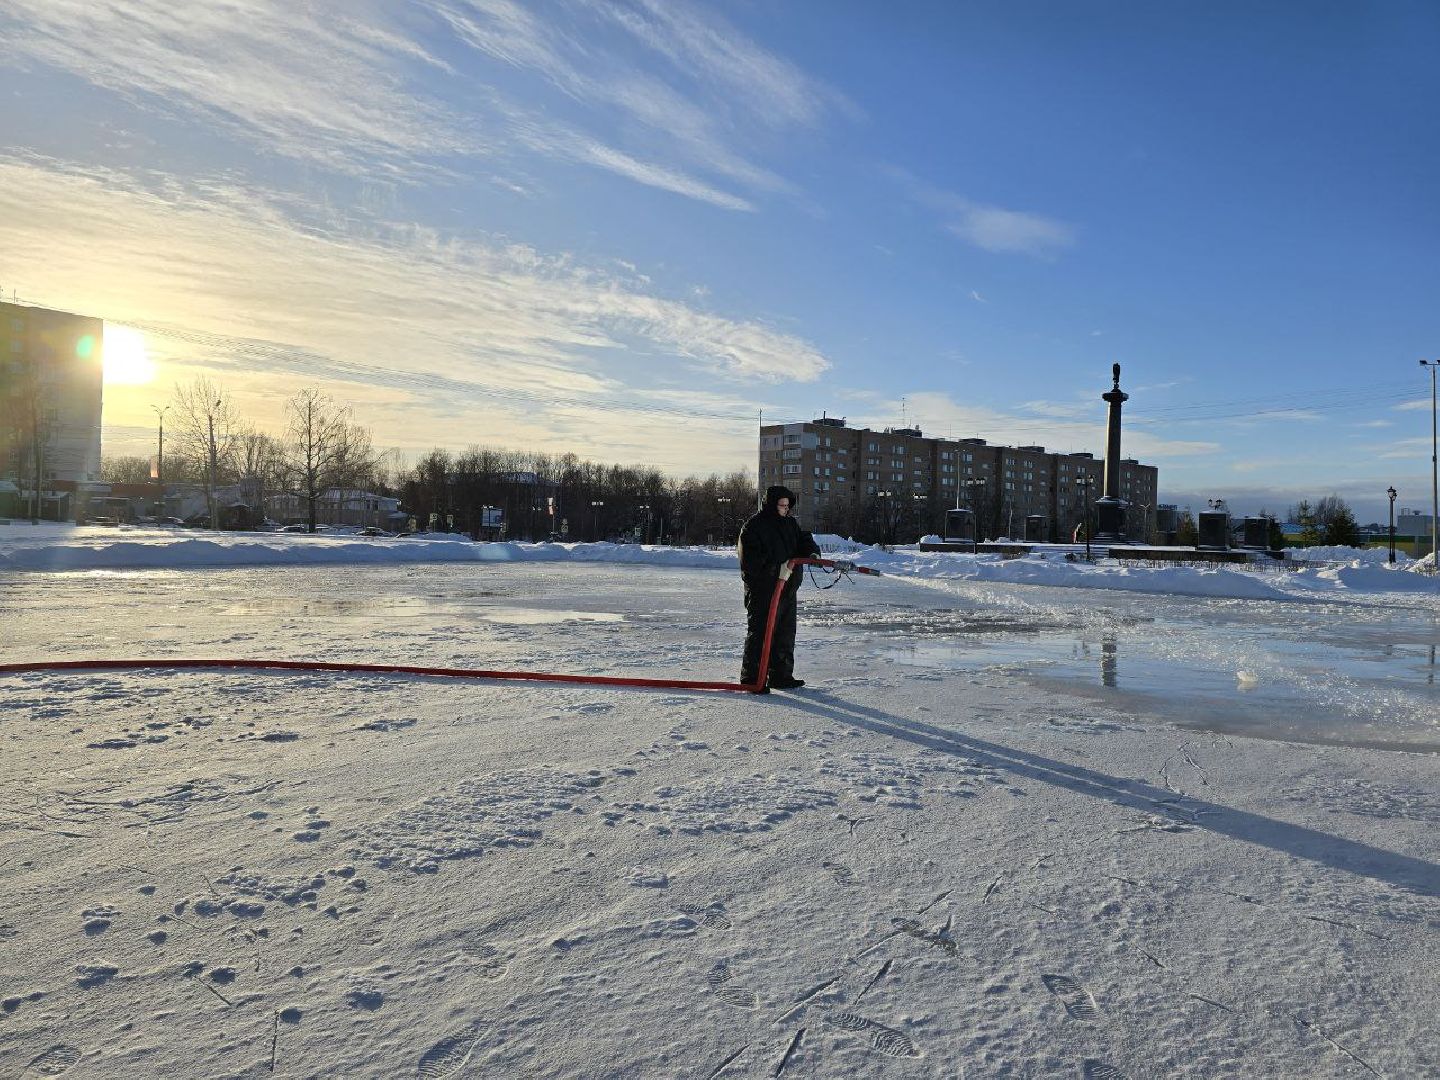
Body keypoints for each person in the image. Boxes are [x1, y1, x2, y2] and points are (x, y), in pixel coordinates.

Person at [737, 485, 821, 691]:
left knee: (785, 634)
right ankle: (752, 679)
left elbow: (804, 540)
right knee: (761, 634)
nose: (785, 509)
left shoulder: (790, 524)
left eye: (787, 506)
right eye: (781, 505)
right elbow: (750, 561)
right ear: (771, 505)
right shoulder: (754, 526)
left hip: (787, 591)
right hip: (763, 592)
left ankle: (781, 676)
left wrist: (812, 552)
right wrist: (776, 569)